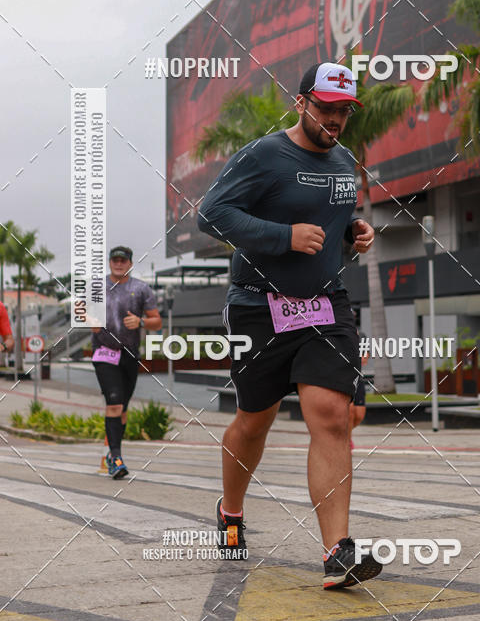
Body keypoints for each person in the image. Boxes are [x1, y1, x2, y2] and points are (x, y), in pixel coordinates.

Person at [197, 62, 384, 590]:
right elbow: (210, 215)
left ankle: (337, 552)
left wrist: (354, 230)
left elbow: (330, 218)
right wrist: (284, 237)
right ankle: (231, 511)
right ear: (300, 102)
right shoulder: (263, 155)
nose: (335, 118)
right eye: (325, 106)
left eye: (344, 109)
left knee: (331, 415)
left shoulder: (346, 160)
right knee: (254, 422)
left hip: (325, 304)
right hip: (258, 307)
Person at [91, 246, 162, 478]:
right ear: (110, 262)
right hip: (103, 351)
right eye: (115, 260)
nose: (118, 264)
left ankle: (113, 454)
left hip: (130, 354)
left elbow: (157, 322)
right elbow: (80, 310)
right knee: (113, 404)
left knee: (122, 409)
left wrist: (140, 322)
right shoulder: (97, 287)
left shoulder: (141, 288)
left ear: (130, 263)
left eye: (123, 261)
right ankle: (116, 458)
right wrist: (87, 318)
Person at [350, 330, 368, 448]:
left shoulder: (361, 336)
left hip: (359, 379)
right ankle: (346, 438)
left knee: (359, 414)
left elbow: (364, 359)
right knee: (349, 412)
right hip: (344, 379)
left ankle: (344, 433)